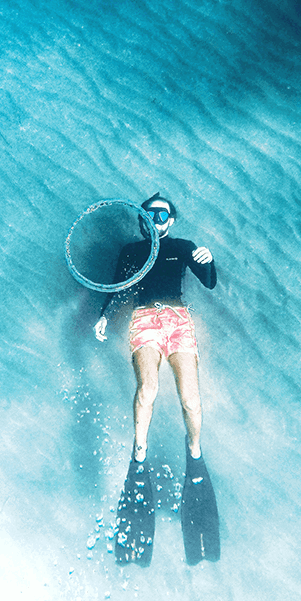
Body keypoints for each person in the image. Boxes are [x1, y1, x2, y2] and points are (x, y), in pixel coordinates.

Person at [94, 193, 217, 463]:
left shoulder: (184, 247)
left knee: (190, 399)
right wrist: (104, 316)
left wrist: (208, 261)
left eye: (161, 216)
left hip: (179, 320)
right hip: (145, 320)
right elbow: (118, 287)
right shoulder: (131, 251)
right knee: (147, 390)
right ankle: (140, 447)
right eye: (149, 215)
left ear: (170, 221)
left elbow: (209, 282)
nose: (154, 221)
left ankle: (194, 447)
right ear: (141, 220)